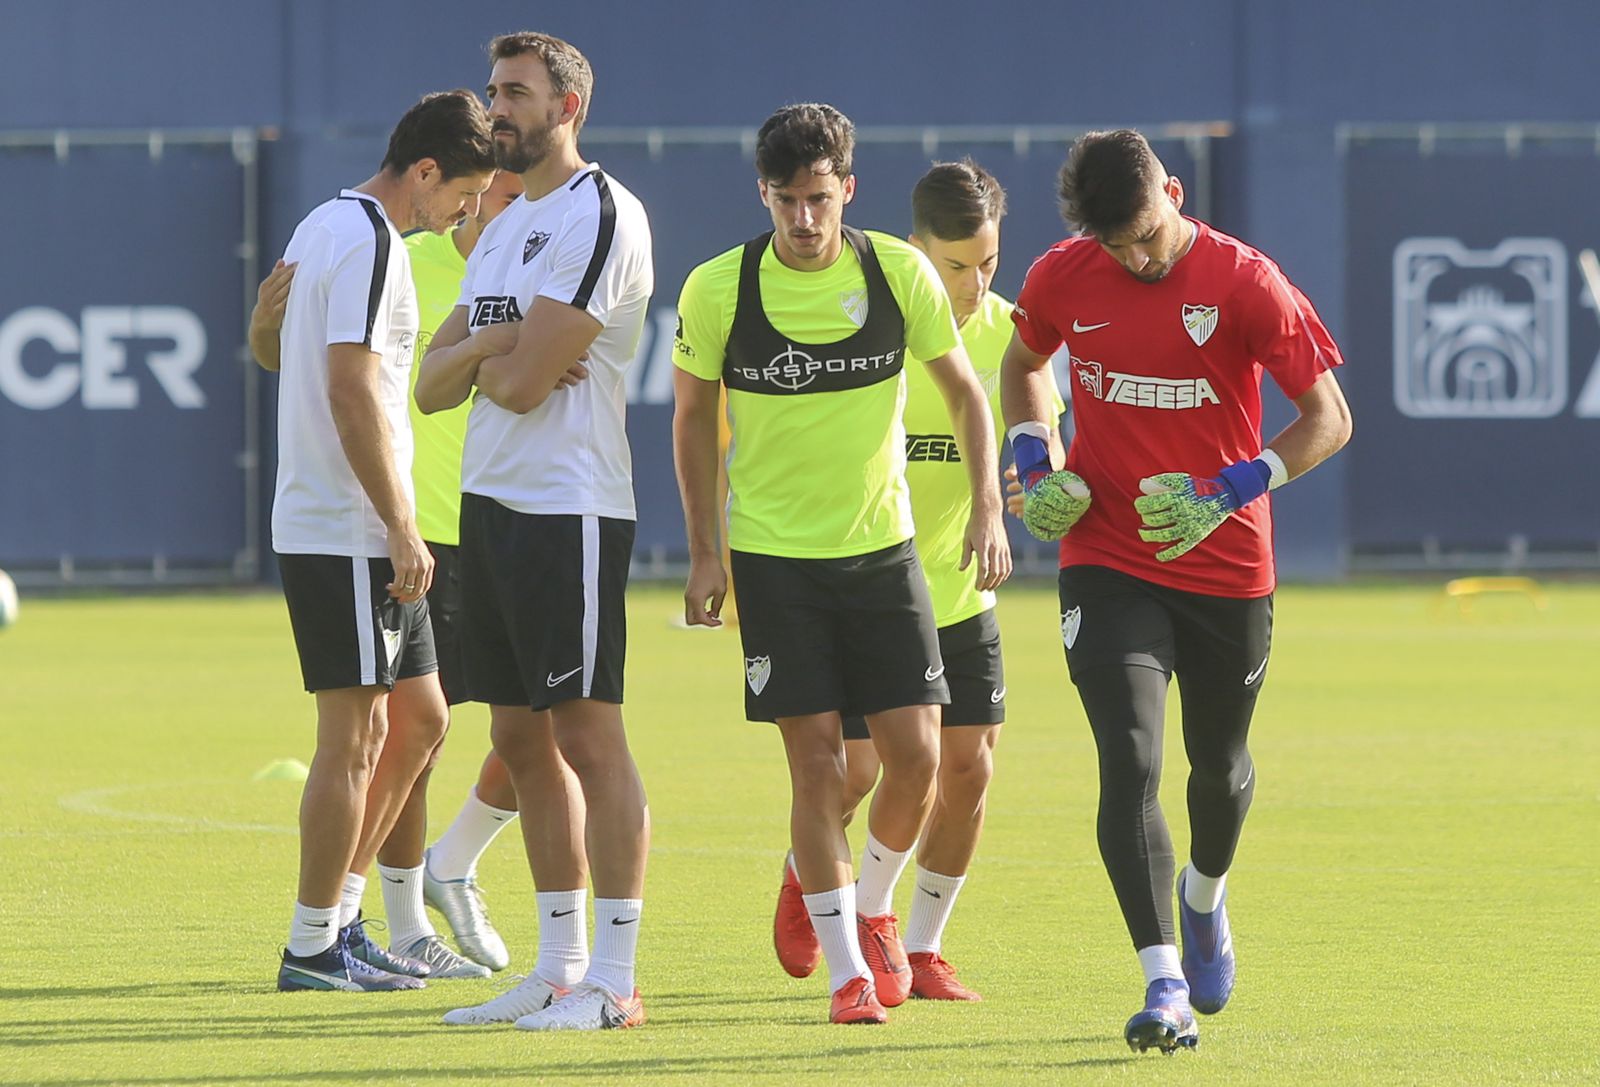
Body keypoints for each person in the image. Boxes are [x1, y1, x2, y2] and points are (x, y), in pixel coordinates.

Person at [999, 129, 1352, 1052]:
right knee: (1130, 760)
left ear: (1176, 192)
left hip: (1226, 563)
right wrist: (1034, 456)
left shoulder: (1245, 281)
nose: (1137, 256)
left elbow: (1329, 420)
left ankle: (1203, 894)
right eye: (1117, 245)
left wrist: (1233, 487)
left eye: (1148, 234)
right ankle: (1164, 986)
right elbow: (1025, 363)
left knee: (1219, 769)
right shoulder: (1061, 275)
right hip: (1107, 552)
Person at [672, 105, 1011, 1025]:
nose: (804, 219)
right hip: (777, 564)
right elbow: (694, 422)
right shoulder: (718, 288)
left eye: (819, 198)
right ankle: (845, 973)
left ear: (848, 190)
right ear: (764, 195)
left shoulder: (899, 274)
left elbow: (969, 398)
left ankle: (872, 911)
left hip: (884, 557)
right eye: (786, 200)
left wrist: (988, 507)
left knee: (915, 762)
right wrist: (706, 552)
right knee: (818, 769)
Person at [771, 159, 1066, 1004]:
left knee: (967, 772)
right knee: (862, 774)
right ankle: (812, 876)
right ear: (913, 252)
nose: (975, 284)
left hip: (963, 582)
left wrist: (1034, 474)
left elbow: (1039, 426)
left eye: (988, 263)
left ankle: (912, 938)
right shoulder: (865, 324)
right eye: (955, 265)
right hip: (871, 586)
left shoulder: (1012, 332)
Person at [416, 30, 655, 1032]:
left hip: (570, 508)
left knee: (588, 736)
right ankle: (556, 966)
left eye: (514, 92)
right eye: (491, 90)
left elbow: (508, 385)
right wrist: (499, 342)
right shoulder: (507, 221)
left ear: (569, 108)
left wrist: (491, 353)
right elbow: (432, 385)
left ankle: (613, 979)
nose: (495, 108)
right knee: (516, 733)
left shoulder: (600, 213)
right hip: (490, 505)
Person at [250, 168, 529, 986]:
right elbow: (336, 383)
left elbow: (298, 361)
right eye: (479, 190)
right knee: (360, 733)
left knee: (421, 719)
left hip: (403, 524)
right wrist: (403, 524)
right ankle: (319, 939)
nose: (475, 210)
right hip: (368, 523)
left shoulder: (341, 229)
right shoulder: (382, 247)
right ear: (430, 174)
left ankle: (345, 920)